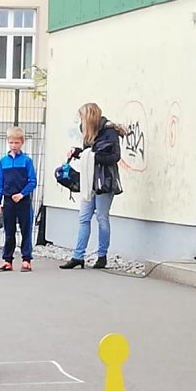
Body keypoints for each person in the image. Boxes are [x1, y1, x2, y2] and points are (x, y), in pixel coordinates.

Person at [60, 103, 125, 270]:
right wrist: (77, 152)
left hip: (104, 181)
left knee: (102, 218)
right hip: (89, 181)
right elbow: (87, 152)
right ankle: (78, 256)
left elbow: (115, 157)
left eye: (82, 117)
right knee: (84, 218)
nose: (81, 121)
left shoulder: (109, 132)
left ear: (89, 118)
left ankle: (102, 256)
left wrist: (93, 157)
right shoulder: (88, 131)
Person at [0, 126, 37, 272]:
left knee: (26, 229)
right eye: (11, 143)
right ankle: (7, 260)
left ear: (22, 143)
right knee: (9, 231)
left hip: (23, 200)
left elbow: (32, 181)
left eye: (16, 143)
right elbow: (0, 183)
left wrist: (22, 194)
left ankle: (26, 259)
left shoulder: (26, 161)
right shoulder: (3, 162)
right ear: (8, 142)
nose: (14, 146)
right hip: (8, 200)